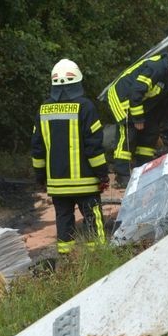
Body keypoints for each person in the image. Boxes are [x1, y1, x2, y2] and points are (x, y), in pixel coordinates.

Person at [31, 59, 109, 255]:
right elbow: (94, 146)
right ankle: (98, 258)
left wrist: (41, 177)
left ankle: (67, 262)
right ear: (78, 82)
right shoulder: (86, 107)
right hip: (86, 183)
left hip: (58, 184)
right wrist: (102, 175)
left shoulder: (43, 109)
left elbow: (37, 149)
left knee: (64, 223)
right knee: (93, 221)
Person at [100, 49, 168, 186]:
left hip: (145, 103)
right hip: (123, 98)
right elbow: (135, 93)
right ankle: (122, 177)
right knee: (128, 135)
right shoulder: (155, 70)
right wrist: (137, 119)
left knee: (150, 135)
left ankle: (143, 174)